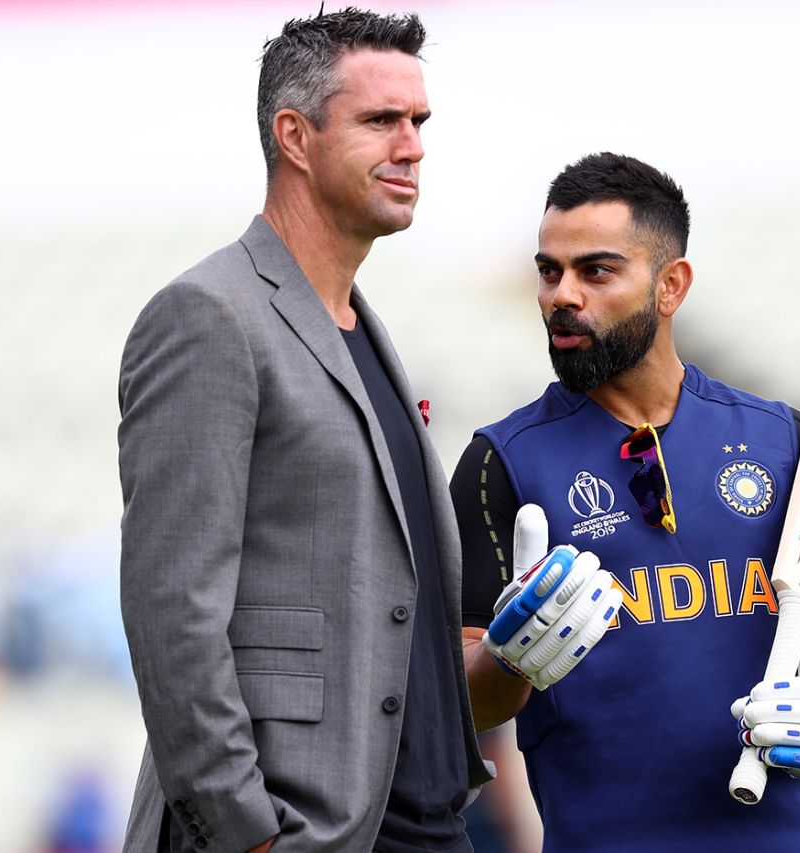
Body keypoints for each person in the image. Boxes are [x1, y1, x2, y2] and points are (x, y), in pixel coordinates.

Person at [118, 9, 490, 852]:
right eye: (381, 120)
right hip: (301, 828)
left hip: (426, 819)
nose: (412, 146)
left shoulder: (363, 327)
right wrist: (245, 833)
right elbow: (173, 611)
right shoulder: (208, 315)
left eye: (419, 121)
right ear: (294, 136)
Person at [451, 153, 800, 851]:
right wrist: (510, 660)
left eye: (596, 271)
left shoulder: (784, 439)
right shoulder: (497, 463)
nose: (563, 295)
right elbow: (459, 703)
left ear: (671, 286)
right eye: (549, 271)